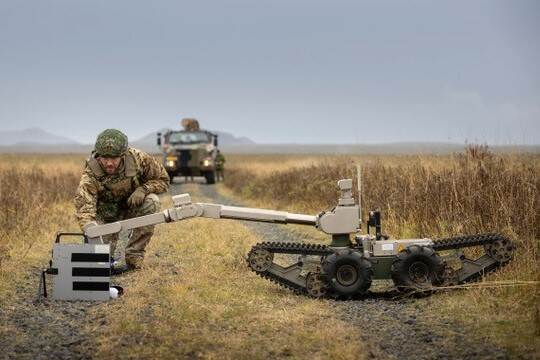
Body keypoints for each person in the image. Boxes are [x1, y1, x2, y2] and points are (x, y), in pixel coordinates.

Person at [74, 129, 169, 273]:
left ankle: (134, 255)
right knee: (100, 262)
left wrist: (143, 189)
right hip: (106, 214)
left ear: (123, 155)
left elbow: (163, 180)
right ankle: (105, 257)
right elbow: (84, 207)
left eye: (114, 158)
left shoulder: (139, 159)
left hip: (133, 207)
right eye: (105, 158)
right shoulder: (91, 173)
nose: (109, 163)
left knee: (152, 201)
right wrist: (90, 229)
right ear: (98, 156)